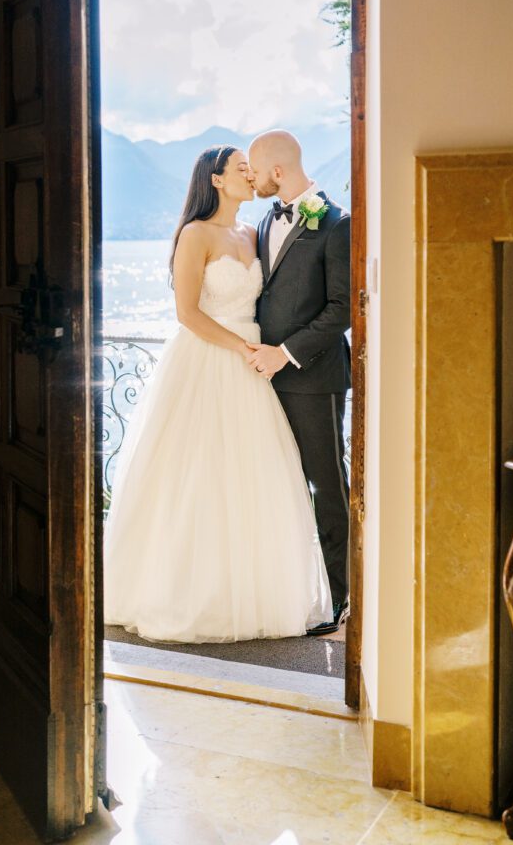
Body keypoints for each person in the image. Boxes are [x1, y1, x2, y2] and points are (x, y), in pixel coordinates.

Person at [103, 144, 332, 643]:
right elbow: (187, 313)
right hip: (210, 360)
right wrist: (243, 348)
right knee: (199, 474)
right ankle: (190, 592)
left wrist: (261, 350)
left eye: (251, 169)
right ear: (215, 179)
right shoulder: (195, 234)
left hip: (254, 366)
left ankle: (257, 589)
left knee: (254, 476)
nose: (251, 176)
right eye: (241, 169)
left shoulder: (253, 233)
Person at [247, 130, 351, 635]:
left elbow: (342, 309)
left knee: (326, 484)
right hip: (261, 381)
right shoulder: (265, 219)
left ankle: (340, 598)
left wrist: (284, 354)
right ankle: (290, 590)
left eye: (256, 169)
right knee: (277, 484)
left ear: (279, 171)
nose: (252, 177)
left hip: (314, 378)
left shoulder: (336, 224)